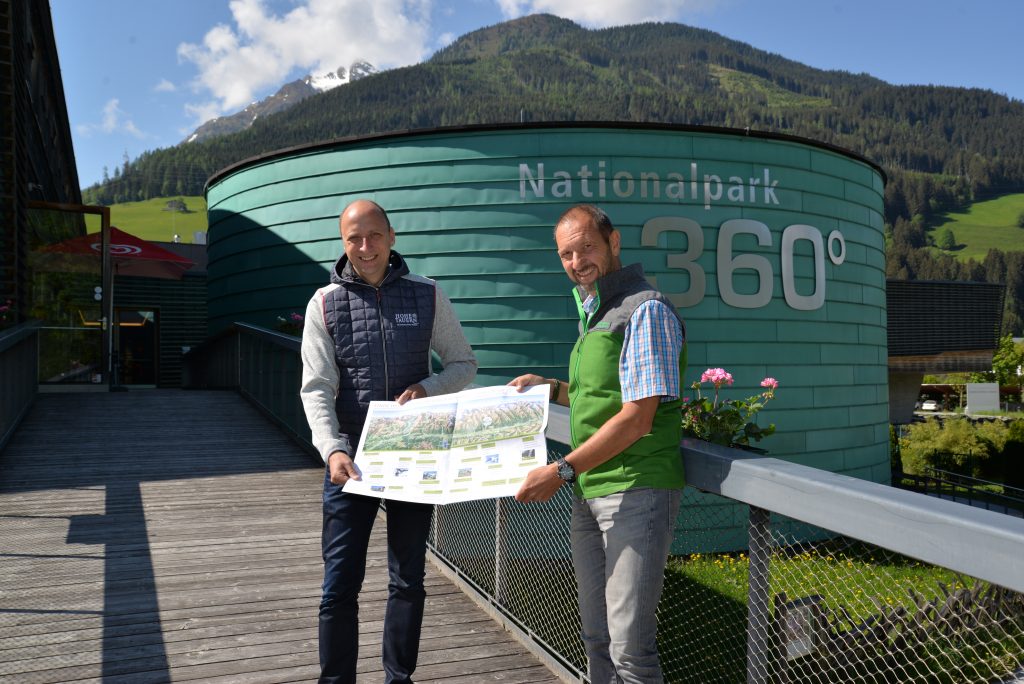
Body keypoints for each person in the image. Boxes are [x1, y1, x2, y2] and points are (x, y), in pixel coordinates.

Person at [300, 199, 477, 684]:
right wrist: (333, 449)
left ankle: (399, 678)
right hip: (349, 463)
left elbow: (463, 363)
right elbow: (316, 388)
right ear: (343, 243)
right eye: (354, 238)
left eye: (374, 235)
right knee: (339, 586)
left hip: (413, 455)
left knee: (407, 581)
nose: (365, 247)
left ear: (392, 236)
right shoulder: (324, 304)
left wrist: (428, 388)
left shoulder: (428, 295)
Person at [509, 204, 686, 684]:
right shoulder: (596, 312)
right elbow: (606, 396)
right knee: (598, 639)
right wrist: (551, 388)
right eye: (566, 253)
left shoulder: (644, 309)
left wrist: (561, 470)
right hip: (593, 490)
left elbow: (637, 417)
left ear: (614, 242)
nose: (576, 260)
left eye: (586, 246)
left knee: (631, 649)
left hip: (637, 489)